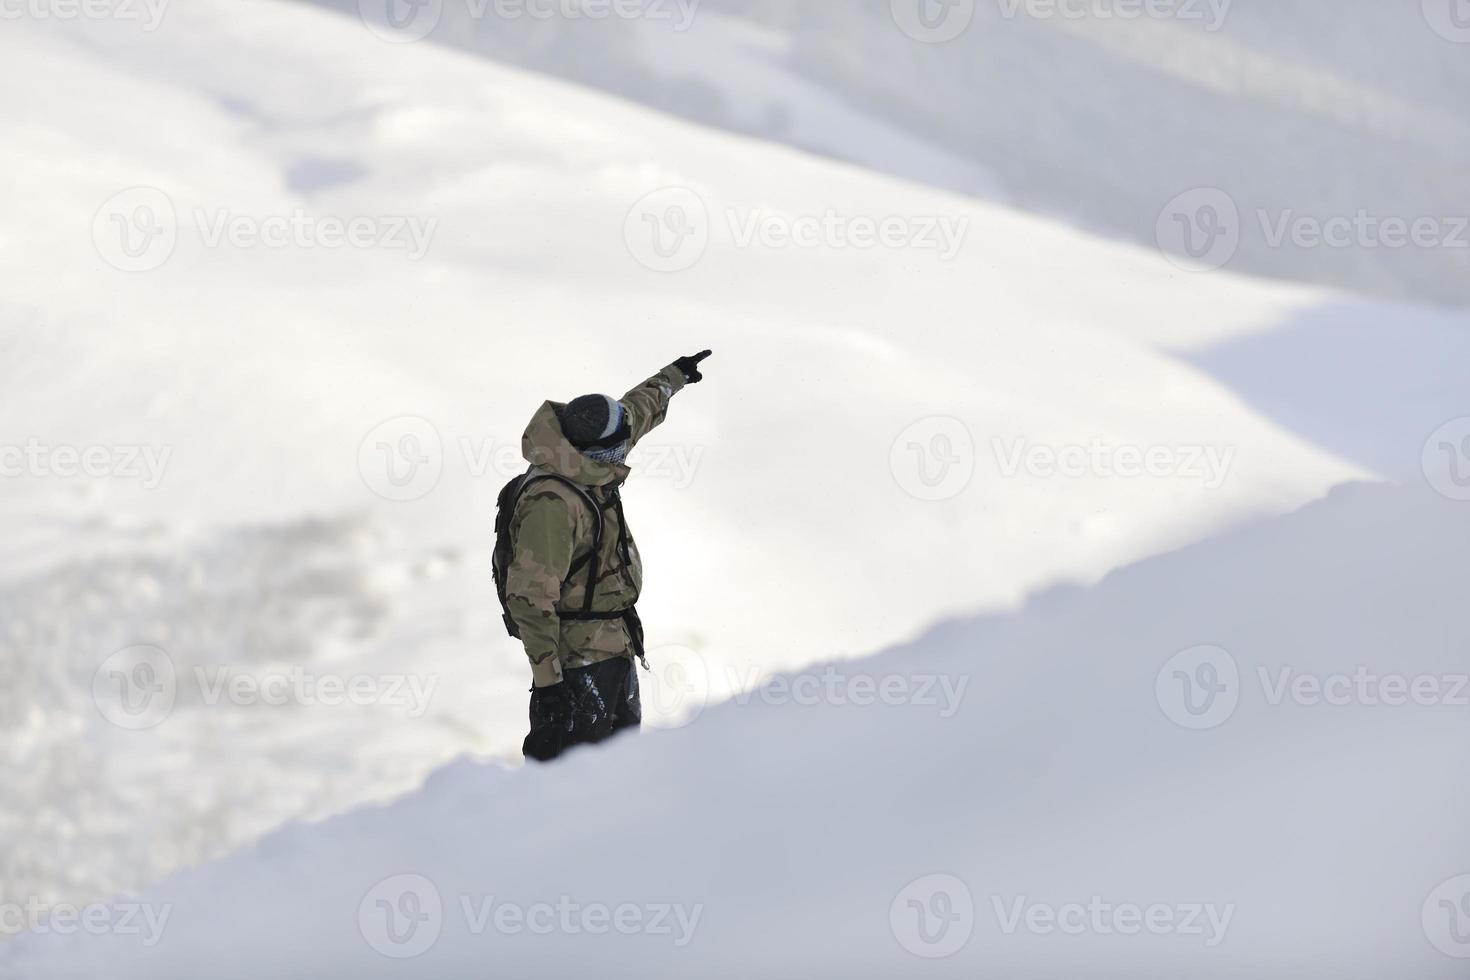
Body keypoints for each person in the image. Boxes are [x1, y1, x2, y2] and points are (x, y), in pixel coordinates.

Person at [503, 351, 713, 762]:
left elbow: (635, 414)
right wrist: (549, 687)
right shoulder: (552, 504)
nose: (625, 452)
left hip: (616, 647)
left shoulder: (589, 451)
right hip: (578, 664)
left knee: (621, 772)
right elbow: (529, 599)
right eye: (617, 450)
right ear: (594, 453)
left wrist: (674, 376)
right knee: (574, 778)